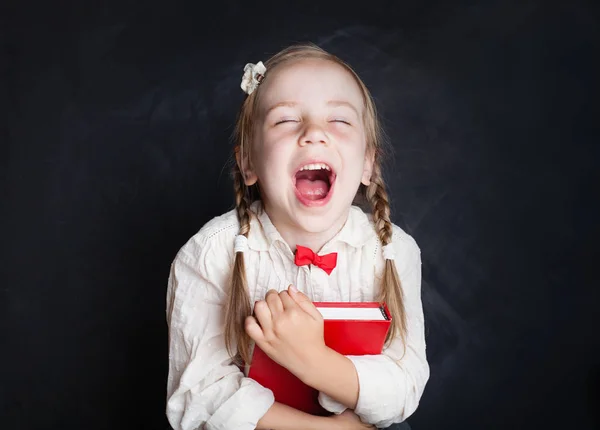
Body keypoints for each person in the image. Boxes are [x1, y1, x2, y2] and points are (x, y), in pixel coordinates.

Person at [165, 43, 429, 430]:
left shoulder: (393, 251)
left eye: (339, 120)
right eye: (286, 120)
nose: (314, 134)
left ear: (368, 164)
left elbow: (403, 385)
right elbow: (200, 396)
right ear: (248, 162)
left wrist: (312, 360)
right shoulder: (208, 254)